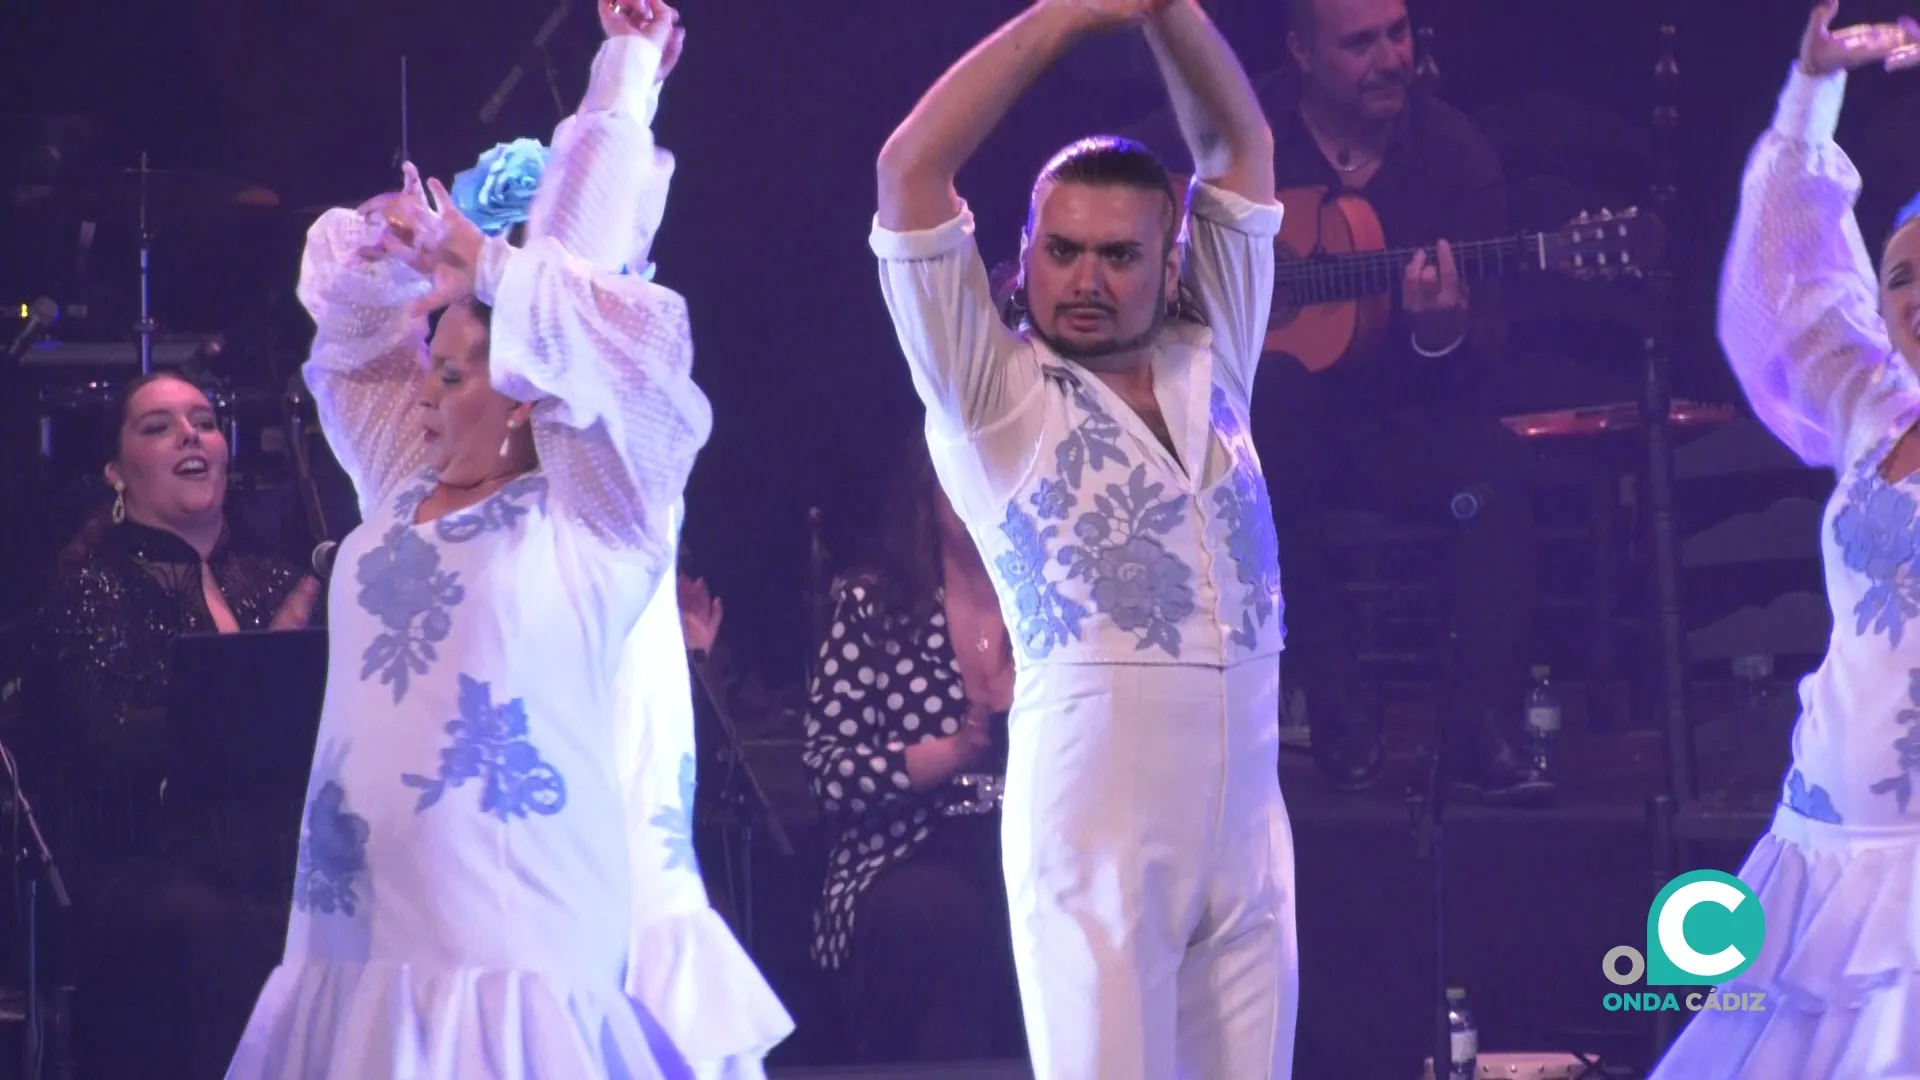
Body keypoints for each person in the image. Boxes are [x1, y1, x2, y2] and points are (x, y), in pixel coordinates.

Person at [223, 2, 717, 1076]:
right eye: (431, 366)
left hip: (512, 953)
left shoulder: (596, 514)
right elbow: (352, 321)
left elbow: (600, 326)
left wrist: (620, 81)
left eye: (453, 373)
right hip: (357, 949)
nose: (425, 392)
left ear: (530, 392)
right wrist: (413, 251)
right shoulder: (402, 482)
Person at [872, 2, 1296, 1077]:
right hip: (1095, 829)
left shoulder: (1215, 352)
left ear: (1170, 261)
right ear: (1025, 255)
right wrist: (1068, 17)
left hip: (1250, 837)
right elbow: (911, 170)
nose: (1088, 280)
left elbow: (1239, 149)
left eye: (1118, 255)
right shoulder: (993, 393)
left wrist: (1165, 11)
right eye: (1061, 252)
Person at [1127, 0, 1548, 800]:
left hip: (1407, 428)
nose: (1391, 57)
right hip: (1271, 445)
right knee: (1273, 403)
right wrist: (1176, 269)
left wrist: (1439, 333)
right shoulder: (1236, 127)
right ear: (1303, 54)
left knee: (1495, 463)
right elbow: (1128, 182)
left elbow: (1487, 362)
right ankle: (1335, 700)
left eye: (1398, 33)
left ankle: (1475, 729)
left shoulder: (1454, 157)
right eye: (1360, 43)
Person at [1648, 4, 1920, 1077]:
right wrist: (1812, 92)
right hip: (1825, 851)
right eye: (1901, 275)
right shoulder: (1873, 409)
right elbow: (1793, 280)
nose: (1917, 298)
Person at [30, 369, 319, 1078]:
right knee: (206, 929)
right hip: (150, 865)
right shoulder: (87, 589)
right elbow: (105, 745)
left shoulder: (281, 578)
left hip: (279, 852)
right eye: (158, 426)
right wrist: (252, 682)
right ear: (115, 471)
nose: (192, 434)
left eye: (204, 421)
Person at [801, 438, 1025, 1064]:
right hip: (905, 850)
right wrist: (948, 754)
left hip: (1031, 844)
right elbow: (828, 768)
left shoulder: (1054, 609)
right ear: (931, 499)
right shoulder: (872, 604)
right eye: (963, 486)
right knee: (930, 918)